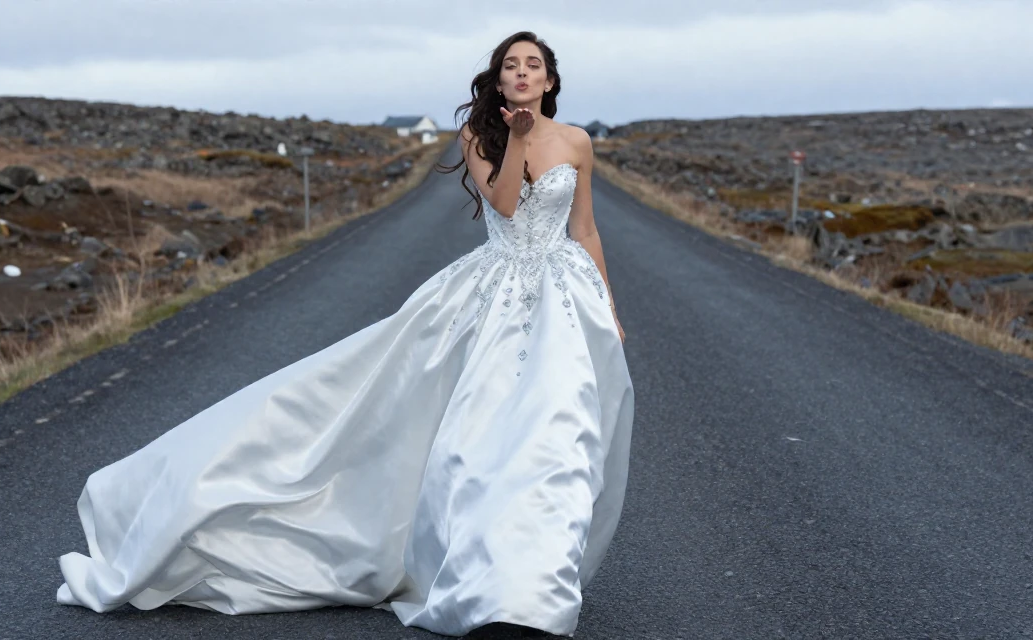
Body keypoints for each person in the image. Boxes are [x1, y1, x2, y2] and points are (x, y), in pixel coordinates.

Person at [56, 30, 634, 638]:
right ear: (498, 81)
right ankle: (493, 586)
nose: (521, 72)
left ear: (548, 80)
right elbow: (507, 204)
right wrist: (516, 139)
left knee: (557, 437)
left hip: (564, 300)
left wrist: (609, 305)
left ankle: (534, 589)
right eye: (510, 65)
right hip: (494, 295)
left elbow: (585, 230)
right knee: (480, 441)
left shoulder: (577, 141)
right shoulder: (479, 135)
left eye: (532, 65)